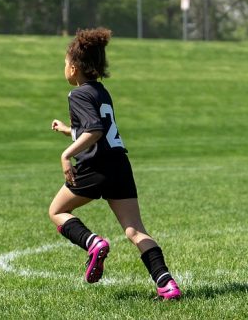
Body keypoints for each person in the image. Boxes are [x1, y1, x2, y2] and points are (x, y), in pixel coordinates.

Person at [48, 28, 181, 300]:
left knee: (57, 211)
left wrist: (65, 155)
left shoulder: (77, 95)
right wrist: (67, 130)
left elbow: (94, 130)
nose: (64, 68)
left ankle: (93, 243)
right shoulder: (100, 91)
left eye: (64, 63)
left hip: (95, 166)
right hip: (119, 164)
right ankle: (167, 285)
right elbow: (97, 129)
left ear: (73, 68)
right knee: (135, 230)